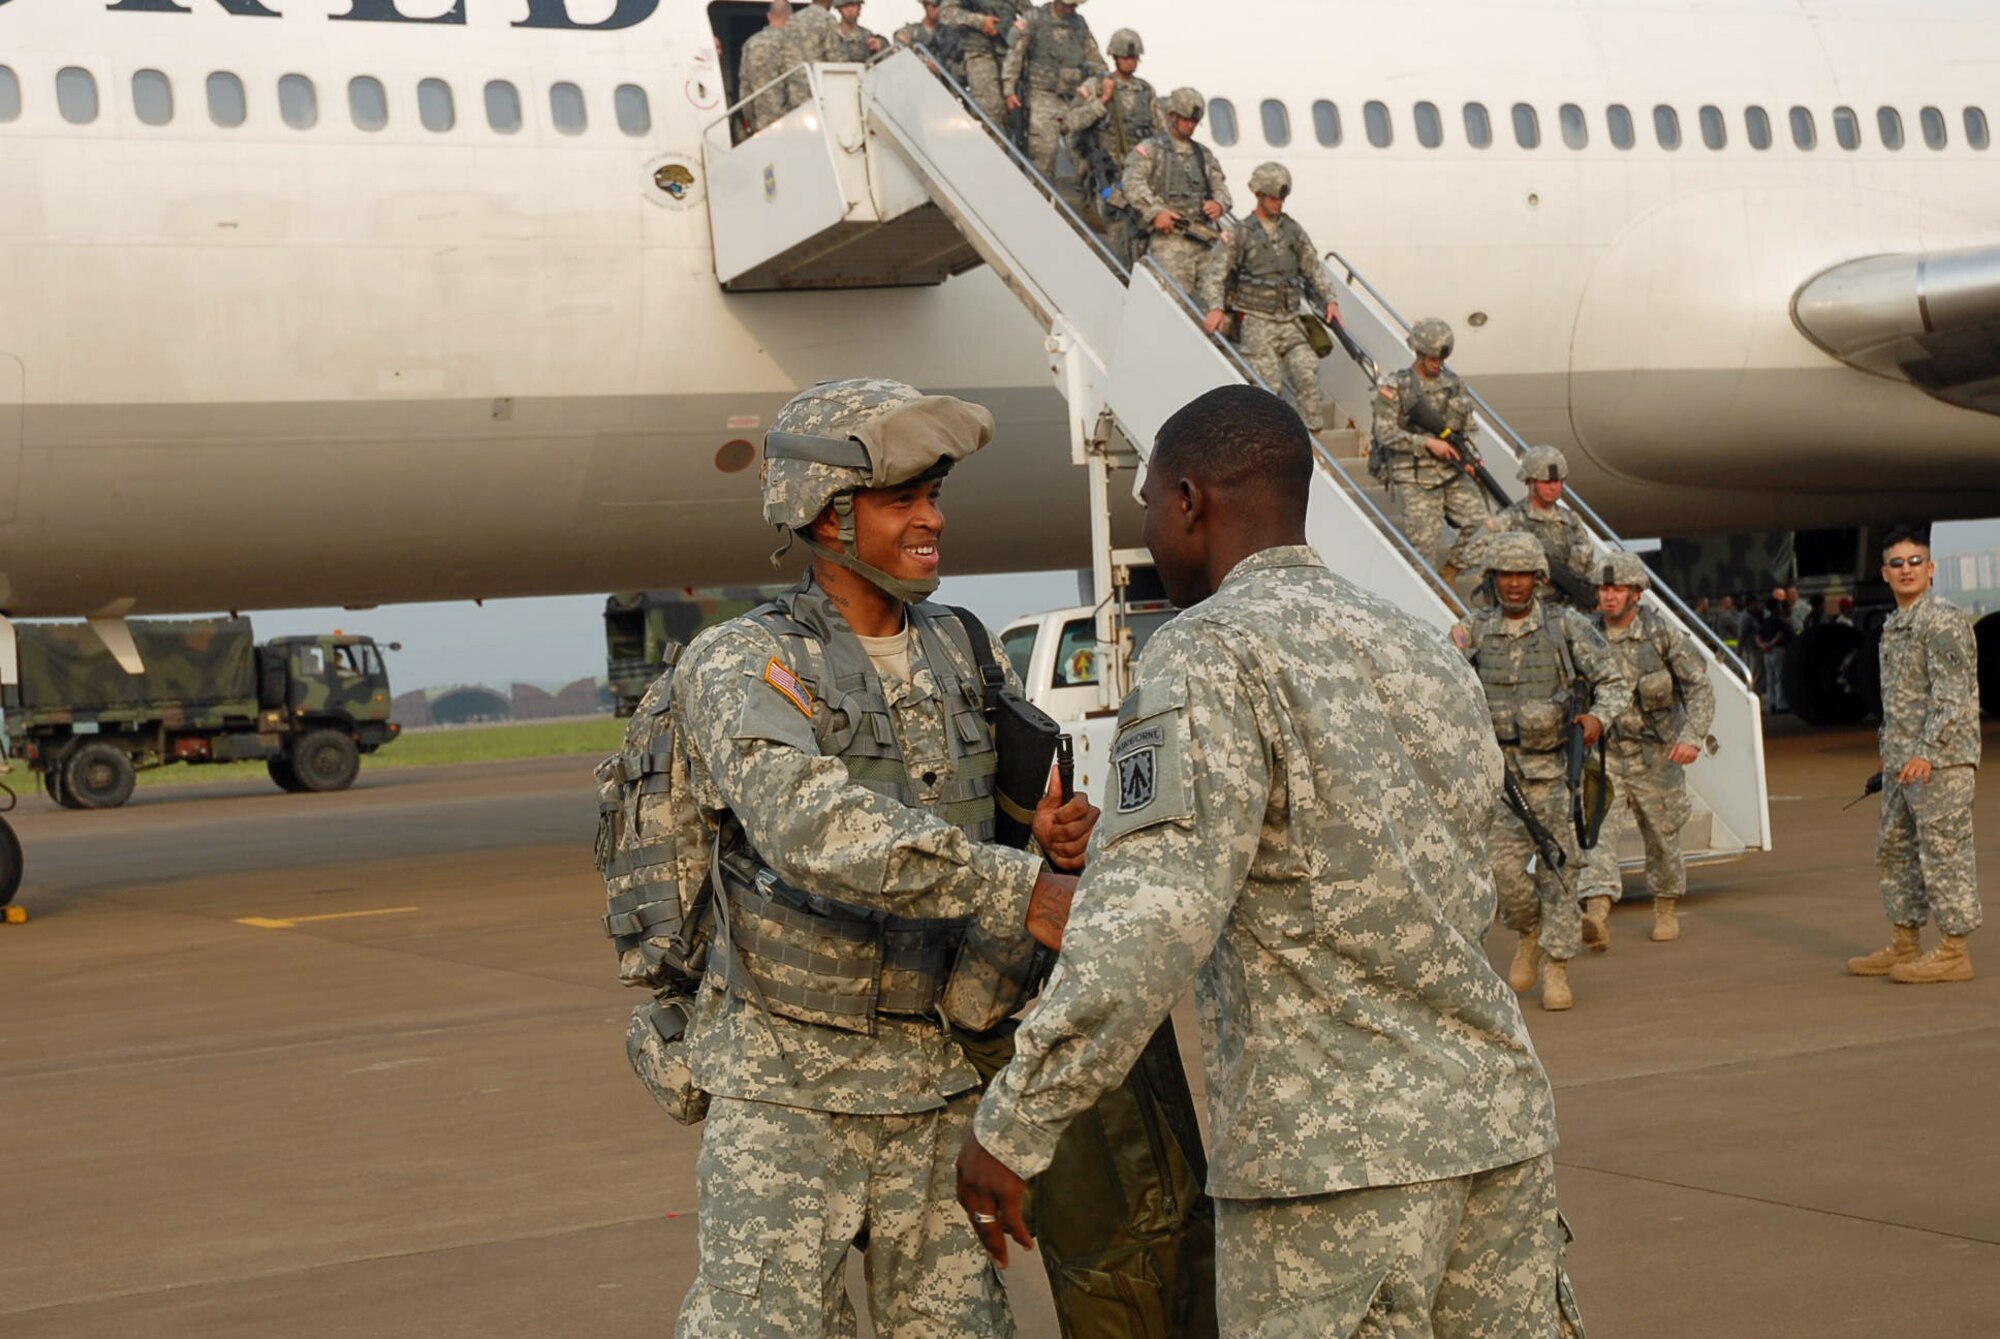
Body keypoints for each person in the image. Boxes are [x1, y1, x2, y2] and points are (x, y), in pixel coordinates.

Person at [956, 384, 1572, 1337]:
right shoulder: (1422, 647)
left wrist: (1016, 1120)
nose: (1153, 528)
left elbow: (1145, 925)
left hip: (1334, 1171)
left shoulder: (1207, 654)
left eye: (1152, 503)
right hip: (1494, 1130)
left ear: (1192, 500)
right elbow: (1470, 884)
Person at [667, 378, 1216, 1338]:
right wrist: (1024, 886)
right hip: (791, 1094)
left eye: (938, 495)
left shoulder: (963, 647)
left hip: (942, 1084)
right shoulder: (743, 663)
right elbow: (811, 826)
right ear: (826, 515)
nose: (933, 521)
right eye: (904, 499)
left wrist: (1042, 837)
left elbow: (998, 812)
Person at [1453, 531, 1631, 1011]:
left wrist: (1598, 717)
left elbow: (1614, 681)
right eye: (1506, 575)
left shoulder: (1566, 627)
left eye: (1523, 575)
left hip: (1554, 770)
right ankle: (1527, 930)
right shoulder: (1474, 630)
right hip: (1501, 779)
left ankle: (1556, 968)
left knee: (1559, 870)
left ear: (1538, 579)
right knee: (1502, 873)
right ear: (1494, 579)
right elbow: (1443, 680)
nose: (1514, 584)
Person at [1847, 525, 1983, 984]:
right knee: (1896, 849)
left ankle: (1953, 951)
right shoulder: (1896, 624)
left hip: (1939, 763)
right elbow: (1900, 700)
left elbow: (1953, 694)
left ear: (1931, 569)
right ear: (1885, 574)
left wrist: (1925, 750)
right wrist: (1891, 752)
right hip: (1904, 764)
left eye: (1915, 562)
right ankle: (1905, 941)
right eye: (1897, 564)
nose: (1907, 570)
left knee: (1945, 854)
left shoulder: (1940, 620)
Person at [1574, 552, 1716, 948]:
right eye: (1604, 588)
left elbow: (1699, 688)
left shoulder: (1662, 636)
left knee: (1663, 837)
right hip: (1605, 756)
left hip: (1656, 757)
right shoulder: (1585, 635)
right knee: (1596, 835)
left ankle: (1665, 906)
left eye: (1617, 588)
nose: (1609, 596)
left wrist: (1692, 737)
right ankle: (1597, 913)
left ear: (1636, 593)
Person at [1194, 163, 1341, 436]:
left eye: (1282, 199)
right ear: (1259, 195)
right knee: (1268, 386)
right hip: (1256, 320)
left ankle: (1312, 441)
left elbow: (1312, 267)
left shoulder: (1292, 231)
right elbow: (1215, 275)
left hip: (1289, 320)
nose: (1278, 203)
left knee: (1306, 372)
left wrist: (1330, 299)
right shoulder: (1240, 233)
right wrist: (1215, 308)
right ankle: (1268, 442)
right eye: (1274, 198)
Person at [1370, 317, 1495, 581]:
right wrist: (1427, 443)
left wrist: (1473, 456)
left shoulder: (1453, 384)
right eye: (1431, 358)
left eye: (1441, 358)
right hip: (1414, 476)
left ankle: (1449, 574)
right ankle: (1428, 603)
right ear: (1418, 353)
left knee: (1486, 527)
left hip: (1451, 471)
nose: (1438, 363)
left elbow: (1469, 426)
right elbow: (1385, 433)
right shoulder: (1396, 386)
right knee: (1424, 548)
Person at [1123, 87, 1231, 298]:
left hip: (1202, 239)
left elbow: (1221, 188)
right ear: (1172, 116)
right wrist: (1156, 212)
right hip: (1169, 241)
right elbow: (1132, 182)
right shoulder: (1152, 149)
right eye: (1185, 120)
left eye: (1194, 121)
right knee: (1173, 301)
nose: (1190, 125)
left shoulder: (1203, 155)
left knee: (1217, 302)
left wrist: (1219, 204)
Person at [1063, 26, 1158, 264]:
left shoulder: (1145, 91)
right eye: (1125, 57)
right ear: (1114, 57)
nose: (1130, 62)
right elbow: (1072, 122)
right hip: (1109, 179)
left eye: (1134, 57)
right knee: (1119, 242)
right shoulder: (1095, 86)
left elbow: (1160, 135)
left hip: (1140, 181)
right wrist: (1103, 101)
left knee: (1145, 246)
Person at [1001, 0, 1102, 200]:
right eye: (1067, 5)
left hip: (1073, 101)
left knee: (1083, 155)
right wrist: (1008, 89)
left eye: (1074, 6)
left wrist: (1098, 82)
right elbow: (1015, 55)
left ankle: (1091, 205)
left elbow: (1095, 59)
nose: (1071, 10)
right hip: (1042, 96)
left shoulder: (1079, 24)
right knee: (1043, 157)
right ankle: (1039, 206)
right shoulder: (1034, 19)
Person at [1486, 445, 1599, 608]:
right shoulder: (1509, 521)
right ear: (1529, 481)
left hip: (1571, 611)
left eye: (1558, 481)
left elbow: (1587, 569)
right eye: (1546, 482)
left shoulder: (1572, 520)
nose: (1553, 487)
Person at [939, 0, 1018, 123]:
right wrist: (980, 21)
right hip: (979, 55)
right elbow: (946, 14)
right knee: (992, 114)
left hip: (1009, 56)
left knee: (1015, 115)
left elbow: (1028, 14)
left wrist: (1021, 25)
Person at [737, 0, 800, 135]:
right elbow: (798, 85)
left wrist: (749, 120)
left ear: (768, 16)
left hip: (760, 123)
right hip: (788, 121)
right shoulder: (793, 43)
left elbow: (745, 88)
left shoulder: (751, 43)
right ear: (791, 17)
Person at [895, 0, 966, 85]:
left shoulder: (953, 36)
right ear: (925, 6)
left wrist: (942, 69)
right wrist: (925, 63)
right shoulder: (909, 33)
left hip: (947, 89)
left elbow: (962, 68)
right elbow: (899, 56)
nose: (940, 10)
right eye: (936, 6)